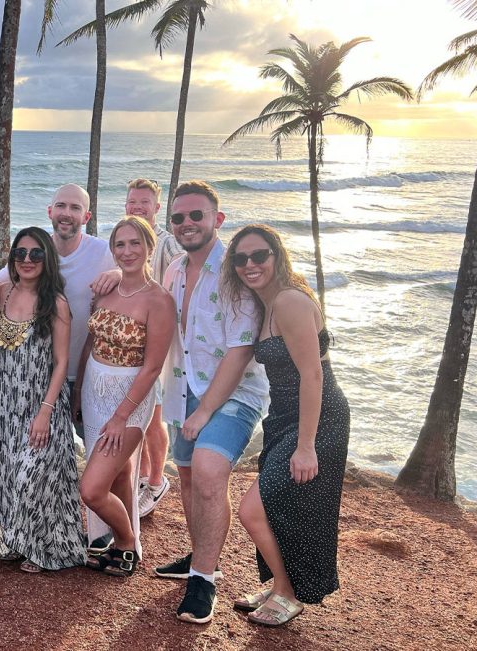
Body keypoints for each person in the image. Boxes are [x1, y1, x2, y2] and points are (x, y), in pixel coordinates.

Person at [221, 224, 351, 626]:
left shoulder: (289, 301)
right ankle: (281, 581)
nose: (250, 264)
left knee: (253, 510)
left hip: (317, 418)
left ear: (277, 256)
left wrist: (307, 445)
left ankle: (288, 592)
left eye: (259, 255)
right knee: (280, 506)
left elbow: (313, 375)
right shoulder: (268, 302)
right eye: (241, 258)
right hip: (284, 417)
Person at [154, 181, 270, 624]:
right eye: (179, 217)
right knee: (187, 478)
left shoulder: (234, 268)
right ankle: (201, 555)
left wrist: (205, 411)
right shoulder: (175, 270)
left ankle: (203, 579)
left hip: (235, 392)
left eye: (196, 215)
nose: (187, 223)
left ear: (216, 220)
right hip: (183, 387)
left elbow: (240, 350)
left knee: (207, 474)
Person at [0, 183, 118, 553]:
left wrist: (121, 275)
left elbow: (135, 277)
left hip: (90, 371)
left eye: (75, 207)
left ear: (86, 216)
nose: (67, 213)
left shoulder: (102, 252)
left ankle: (106, 537)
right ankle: (39, 536)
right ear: (50, 212)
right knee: (49, 462)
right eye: (60, 205)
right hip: (41, 381)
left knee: (100, 456)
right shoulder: (36, 250)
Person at [0, 227, 86, 573]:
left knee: (30, 474)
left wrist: (46, 412)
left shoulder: (57, 303)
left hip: (40, 402)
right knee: (4, 472)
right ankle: (15, 540)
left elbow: (62, 362)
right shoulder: (3, 293)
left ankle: (43, 546)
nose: (27, 260)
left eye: (36, 254)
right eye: (20, 253)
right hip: (4, 400)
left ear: (47, 258)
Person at [73, 217, 175, 577]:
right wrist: (77, 390)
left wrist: (120, 417)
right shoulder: (106, 289)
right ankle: (119, 545)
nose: (127, 251)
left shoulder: (160, 301)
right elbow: (90, 341)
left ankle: (128, 540)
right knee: (118, 474)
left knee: (91, 488)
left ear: (150, 247)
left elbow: (152, 368)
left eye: (135, 244)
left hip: (129, 399)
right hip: (94, 389)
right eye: (120, 244)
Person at [124, 178, 183, 518]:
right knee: (140, 414)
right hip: (132, 344)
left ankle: (158, 480)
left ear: (157, 208)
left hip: (156, 344)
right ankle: (144, 476)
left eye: (145, 202)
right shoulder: (126, 240)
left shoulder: (166, 244)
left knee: (153, 416)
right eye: (133, 202)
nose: (138, 207)